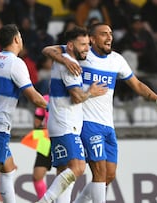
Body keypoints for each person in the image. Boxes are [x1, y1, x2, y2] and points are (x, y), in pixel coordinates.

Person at [42, 23, 157, 203]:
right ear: (92, 38)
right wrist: (64, 59)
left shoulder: (117, 60)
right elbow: (48, 50)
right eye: (104, 34)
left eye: (111, 34)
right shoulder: (82, 54)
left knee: (109, 176)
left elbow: (137, 85)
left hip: (107, 125)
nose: (109, 37)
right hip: (87, 123)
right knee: (98, 172)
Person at [0, 24, 48, 203]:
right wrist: (53, 107)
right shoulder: (16, 63)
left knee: (8, 169)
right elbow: (34, 97)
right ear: (16, 39)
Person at [36, 26, 108, 203]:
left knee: (64, 173)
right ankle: (44, 201)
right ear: (70, 45)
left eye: (88, 44)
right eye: (82, 44)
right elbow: (76, 97)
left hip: (59, 122)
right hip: (66, 124)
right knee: (78, 167)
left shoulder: (64, 57)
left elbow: (48, 49)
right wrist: (90, 92)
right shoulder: (70, 65)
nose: (87, 48)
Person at [32, 94, 51, 200]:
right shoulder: (45, 99)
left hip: (63, 138)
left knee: (62, 173)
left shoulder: (69, 95)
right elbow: (37, 123)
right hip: (45, 139)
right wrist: (40, 127)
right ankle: (43, 200)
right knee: (37, 175)